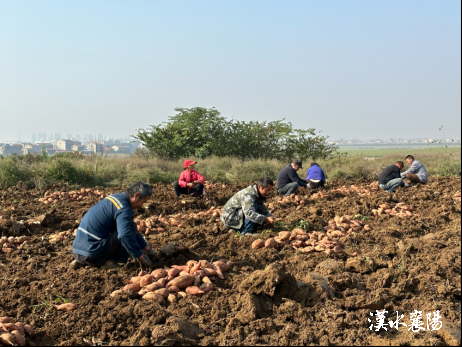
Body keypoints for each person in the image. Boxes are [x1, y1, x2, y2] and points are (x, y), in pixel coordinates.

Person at [70, 182, 160, 270]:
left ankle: (81, 261)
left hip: (78, 251)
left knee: (127, 227)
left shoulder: (115, 198)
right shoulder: (123, 208)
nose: (142, 205)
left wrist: (147, 249)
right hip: (93, 254)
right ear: (136, 196)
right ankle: (109, 262)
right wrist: (140, 256)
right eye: (143, 201)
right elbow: (125, 234)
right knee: (129, 229)